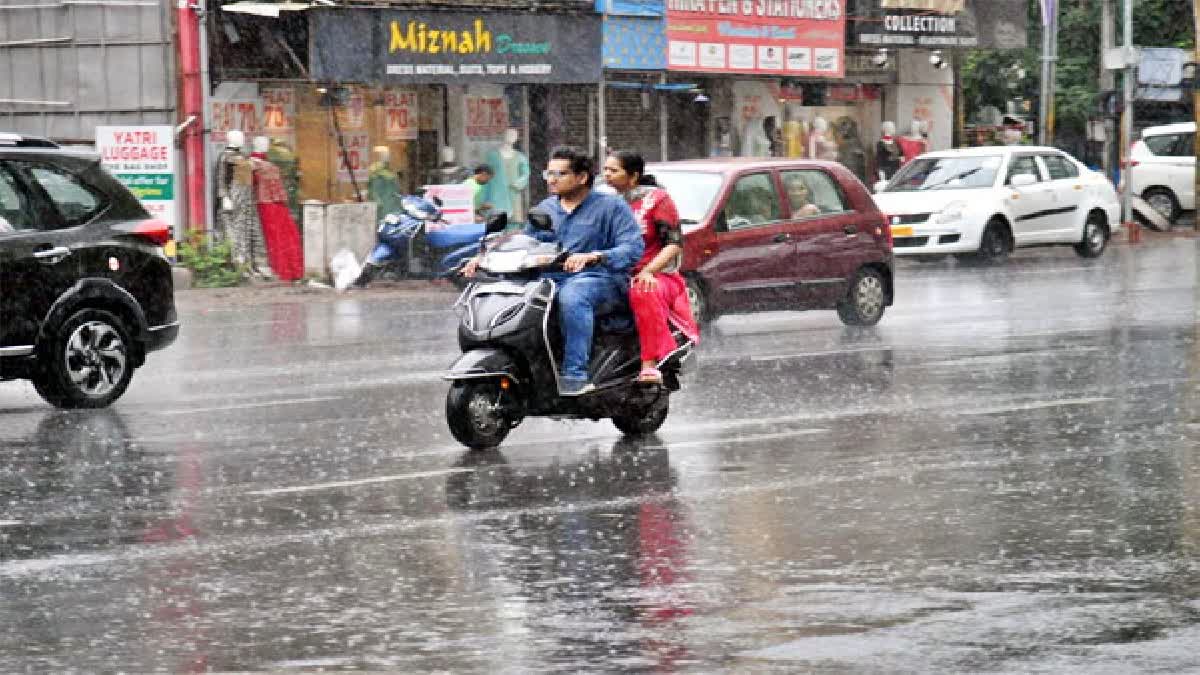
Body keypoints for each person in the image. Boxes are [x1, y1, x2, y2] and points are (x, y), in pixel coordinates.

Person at [464, 146, 644, 396]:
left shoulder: (611, 207)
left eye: (560, 174)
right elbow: (525, 241)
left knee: (573, 296)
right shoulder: (546, 209)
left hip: (600, 278)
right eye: (548, 174)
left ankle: (574, 374)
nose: (551, 180)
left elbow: (633, 248)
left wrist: (596, 256)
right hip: (551, 278)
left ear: (582, 177)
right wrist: (483, 257)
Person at [602, 151, 699, 384]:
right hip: (613, 272)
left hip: (656, 275)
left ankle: (649, 363)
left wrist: (647, 271)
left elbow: (674, 244)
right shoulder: (603, 203)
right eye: (605, 169)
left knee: (642, 289)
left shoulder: (657, 200)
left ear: (633, 176)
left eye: (613, 170)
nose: (606, 175)